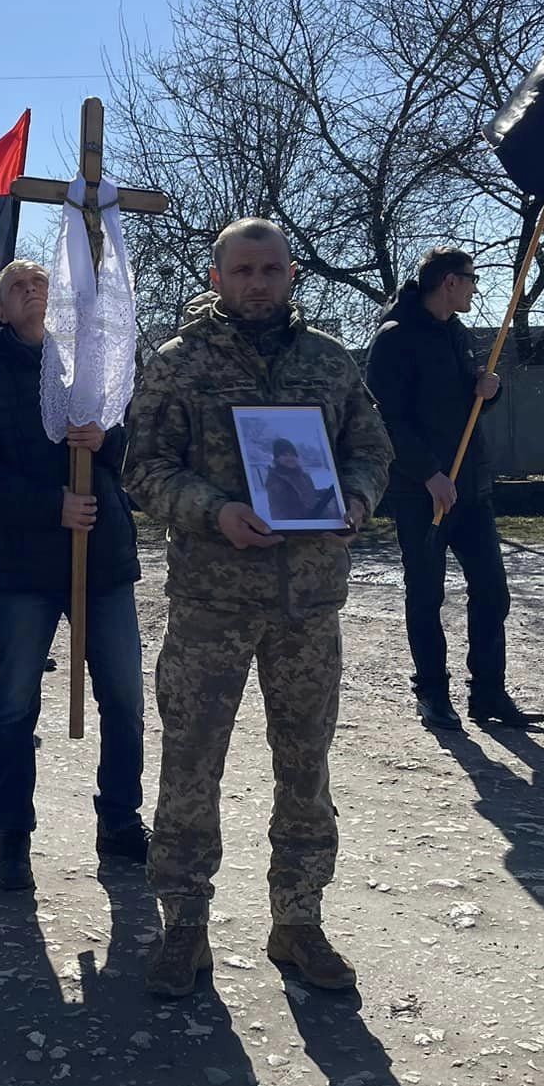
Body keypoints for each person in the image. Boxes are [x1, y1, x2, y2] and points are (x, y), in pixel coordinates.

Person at [125, 219, 392, 997]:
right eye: (242, 269)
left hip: (308, 605)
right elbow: (143, 469)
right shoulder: (180, 366)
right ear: (216, 277)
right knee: (190, 763)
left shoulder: (329, 362)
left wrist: (359, 498)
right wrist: (214, 511)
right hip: (212, 600)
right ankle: (184, 924)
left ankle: (299, 920)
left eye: (271, 269)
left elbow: (372, 449)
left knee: (305, 767)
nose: (257, 283)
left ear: (292, 274)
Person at [0, 260, 148, 893]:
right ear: (0, 310)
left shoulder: (90, 367)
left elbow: (138, 448)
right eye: (17, 286)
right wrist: (48, 504)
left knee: (124, 699)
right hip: (26, 567)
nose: (33, 289)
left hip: (103, 556)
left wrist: (104, 440)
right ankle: (12, 838)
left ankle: (119, 819)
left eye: (41, 281)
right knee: (14, 705)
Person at [366, 248, 543, 733]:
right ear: (448, 281)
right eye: (471, 279)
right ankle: (432, 694)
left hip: (470, 486)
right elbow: (386, 420)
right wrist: (428, 474)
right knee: (425, 593)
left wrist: (489, 390)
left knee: (491, 590)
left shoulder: (456, 334)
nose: (475, 288)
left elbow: (466, 405)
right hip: (419, 491)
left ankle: (487, 693)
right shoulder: (395, 339)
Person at [262, 438, 340, 523]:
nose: (289, 458)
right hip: (302, 526)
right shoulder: (276, 481)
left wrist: (327, 492)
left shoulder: (304, 476)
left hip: (318, 518)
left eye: (292, 455)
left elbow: (310, 494)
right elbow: (277, 513)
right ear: (277, 458)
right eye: (284, 455)